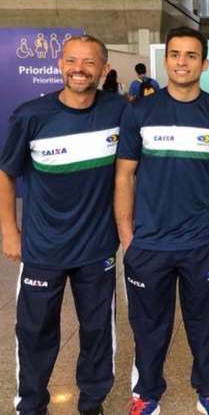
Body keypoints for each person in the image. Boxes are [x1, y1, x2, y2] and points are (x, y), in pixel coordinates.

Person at [114, 27, 209, 415]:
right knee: (148, 327)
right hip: (148, 246)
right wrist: (127, 235)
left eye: (191, 55)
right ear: (166, 59)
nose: (182, 62)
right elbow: (124, 175)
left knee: (204, 326)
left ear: (204, 63)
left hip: (201, 245)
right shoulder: (139, 111)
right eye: (175, 54)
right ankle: (147, 394)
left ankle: (208, 391)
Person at [0, 35, 126, 415]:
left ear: (104, 69)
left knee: (97, 332)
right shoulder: (31, 116)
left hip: (97, 247)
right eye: (72, 60)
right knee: (35, 333)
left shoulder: (119, 110)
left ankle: (92, 404)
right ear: (59, 64)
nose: (79, 69)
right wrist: (9, 230)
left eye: (90, 63)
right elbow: (6, 173)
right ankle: (31, 405)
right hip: (43, 248)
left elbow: (170, 109)